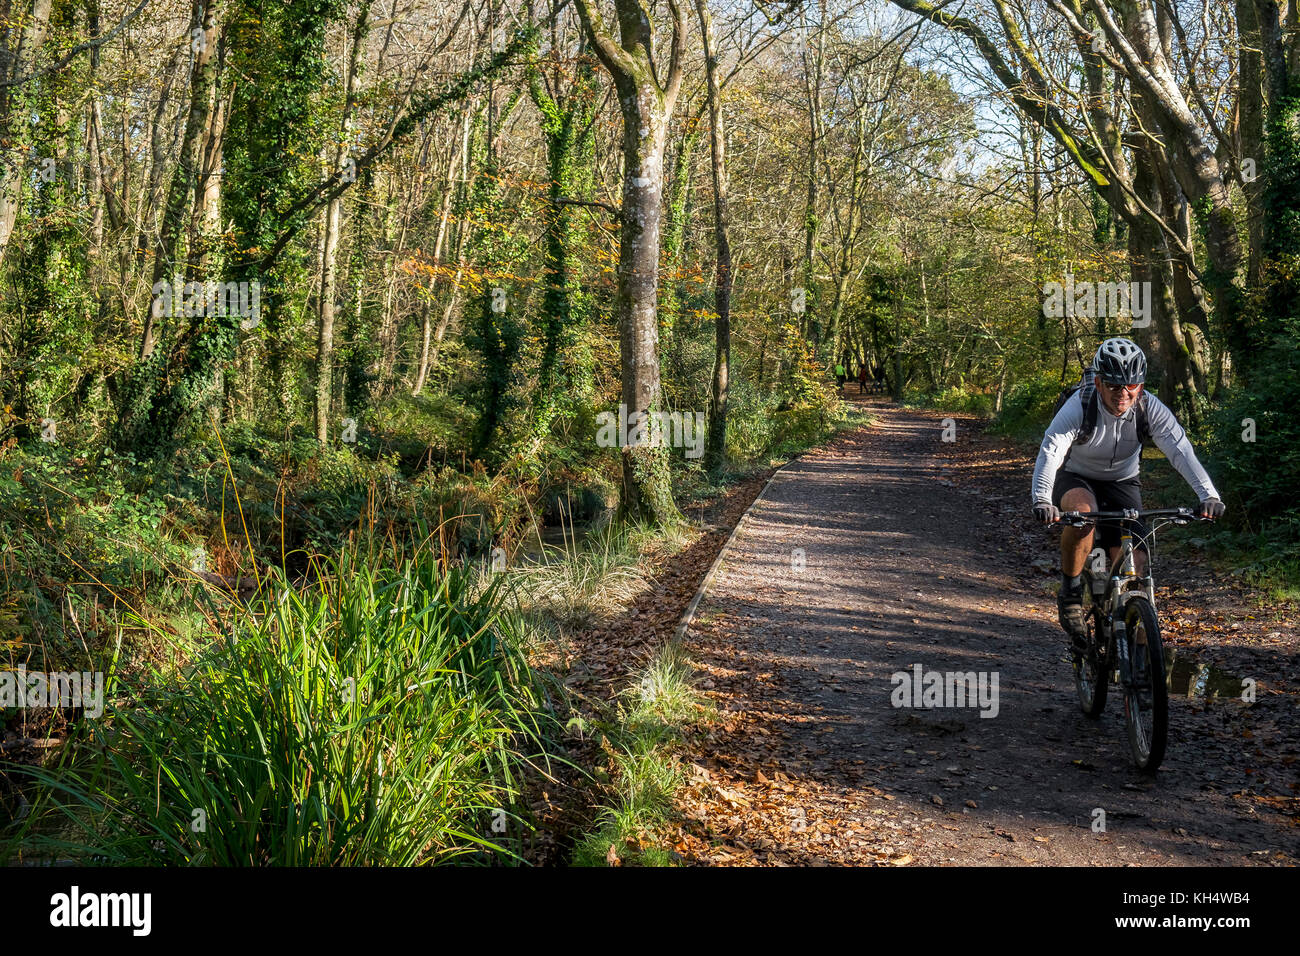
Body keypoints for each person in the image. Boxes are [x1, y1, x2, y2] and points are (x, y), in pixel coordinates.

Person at [1030, 338, 1225, 651]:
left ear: (1141, 383)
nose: (1123, 394)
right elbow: (1051, 451)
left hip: (1123, 482)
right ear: (1098, 382)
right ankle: (1070, 590)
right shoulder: (1079, 405)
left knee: (1136, 564)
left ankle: (1141, 662)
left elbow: (1180, 451)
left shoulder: (1149, 407)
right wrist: (1042, 499)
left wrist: (1209, 496)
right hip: (1075, 475)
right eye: (1113, 385)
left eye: (1131, 385)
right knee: (1083, 515)